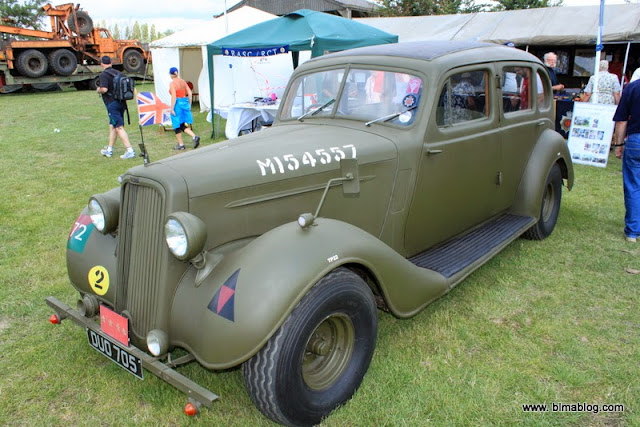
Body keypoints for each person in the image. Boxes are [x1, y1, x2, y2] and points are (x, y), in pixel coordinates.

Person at [613, 79, 640, 242]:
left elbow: (621, 120)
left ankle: (632, 232)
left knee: (633, 186)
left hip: (636, 140)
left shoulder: (633, 87)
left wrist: (619, 144)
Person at [96, 56, 135, 159]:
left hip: (112, 104)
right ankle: (109, 150)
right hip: (121, 102)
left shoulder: (104, 75)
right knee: (113, 126)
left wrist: (98, 90)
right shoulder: (118, 73)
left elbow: (104, 89)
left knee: (118, 127)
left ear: (102, 64)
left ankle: (130, 150)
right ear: (111, 63)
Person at [169, 67, 200, 150]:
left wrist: (172, 108)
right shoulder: (182, 81)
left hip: (177, 104)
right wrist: (189, 104)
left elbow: (174, 96)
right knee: (182, 124)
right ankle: (194, 136)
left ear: (170, 74)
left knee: (176, 125)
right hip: (184, 102)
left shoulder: (172, 83)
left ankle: (181, 144)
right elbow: (189, 93)